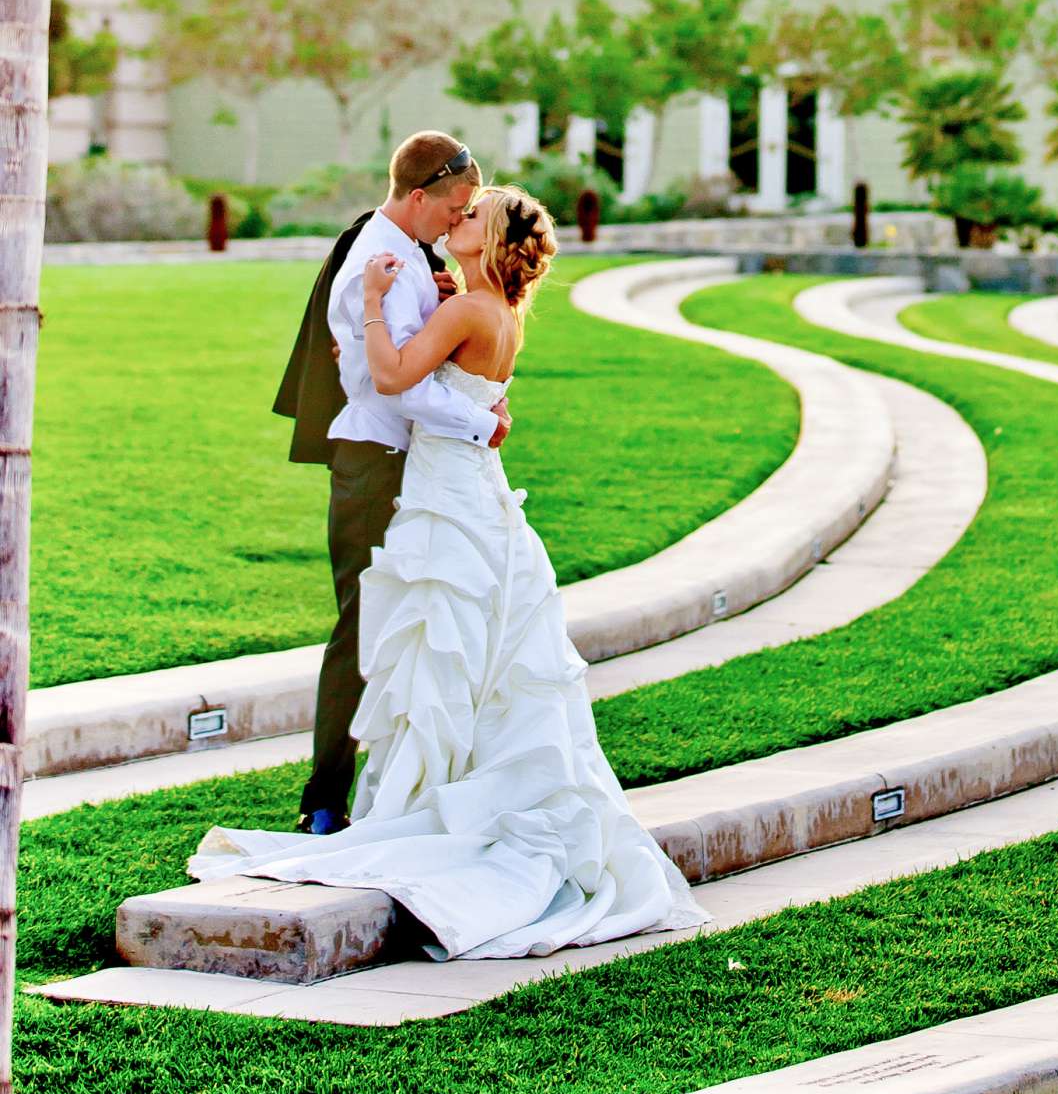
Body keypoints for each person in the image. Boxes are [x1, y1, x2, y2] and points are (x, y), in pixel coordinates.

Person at [192, 182, 703, 961]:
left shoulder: (466, 310)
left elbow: (395, 378)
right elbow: (469, 385)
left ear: (491, 240)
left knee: (442, 641)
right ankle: (463, 788)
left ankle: (434, 800)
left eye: (473, 216)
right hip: (474, 489)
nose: (457, 220)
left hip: (447, 493)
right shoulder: (493, 312)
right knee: (480, 648)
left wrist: (369, 310)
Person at [271, 131, 511, 835]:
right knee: (363, 626)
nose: (459, 218)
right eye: (457, 206)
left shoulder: (411, 257)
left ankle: (411, 783)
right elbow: (398, 385)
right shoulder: (376, 263)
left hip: (416, 465)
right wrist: (478, 422)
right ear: (418, 196)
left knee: (424, 625)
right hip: (375, 465)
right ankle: (324, 799)